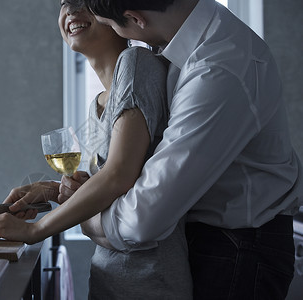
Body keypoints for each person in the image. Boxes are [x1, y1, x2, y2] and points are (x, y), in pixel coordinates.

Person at [57, 0, 302, 299]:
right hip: (218, 240)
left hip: (239, 248)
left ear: (135, 18)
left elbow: (141, 220)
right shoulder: (185, 48)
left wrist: (80, 215)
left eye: (112, 24)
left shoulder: (217, 67)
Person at [0, 0, 193, 298]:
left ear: (111, 11)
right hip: (112, 280)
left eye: (83, 2)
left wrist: (35, 230)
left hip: (149, 283)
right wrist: (53, 191)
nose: (71, 10)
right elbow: (113, 187)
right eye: (64, 3)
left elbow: (117, 176)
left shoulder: (136, 63)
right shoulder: (98, 102)